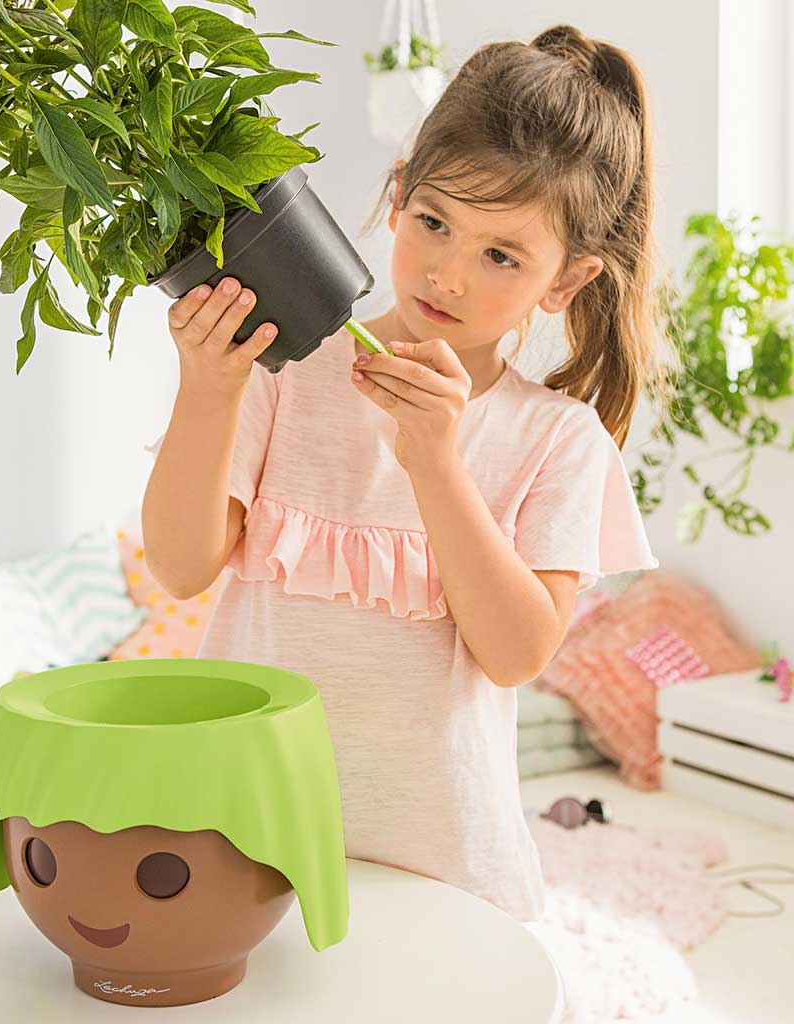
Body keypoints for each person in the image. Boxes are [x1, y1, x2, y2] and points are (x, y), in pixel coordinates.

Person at [142, 24, 662, 921]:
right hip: (248, 834)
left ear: (566, 283)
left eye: (501, 255)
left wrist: (436, 464)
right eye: (434, 223)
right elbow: (182, 566)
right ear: (397, 195)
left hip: (438, 860)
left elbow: (515, 654)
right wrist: (208, 386)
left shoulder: (558, 438)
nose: (448, 274)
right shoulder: (287, 365)